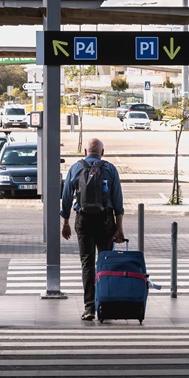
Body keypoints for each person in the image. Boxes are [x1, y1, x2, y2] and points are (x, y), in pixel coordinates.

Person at [61, 137, 125, 321]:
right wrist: (119, 228)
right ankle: (105, 305)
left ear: (84, 152)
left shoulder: (76, 168)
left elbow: (66, 198)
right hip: (106, 221)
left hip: (84, 221)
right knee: (105, 263)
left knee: (87, 264)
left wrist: (65, 222)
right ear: (102, 153)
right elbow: (118, 201)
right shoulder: (110, 169)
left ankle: (89, 308)